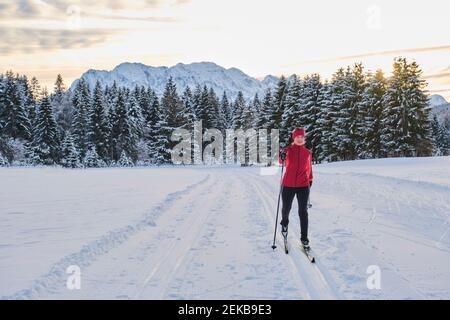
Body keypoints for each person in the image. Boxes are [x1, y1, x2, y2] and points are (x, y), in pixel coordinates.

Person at [279, 127, 313, 248]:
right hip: (288, 185)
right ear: (294, 138)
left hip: (303, 186)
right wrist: (282, 155)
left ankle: (304, 238)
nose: (300, 139)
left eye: (301, 137)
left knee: (303, 212)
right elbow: (280, 161)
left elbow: (309, 168)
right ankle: (284, 224)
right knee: (286, 208)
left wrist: (310, 180)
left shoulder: (307, 153)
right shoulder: (287, 150)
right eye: (297, 137)